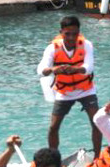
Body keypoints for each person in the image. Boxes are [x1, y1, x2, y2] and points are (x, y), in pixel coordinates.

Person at [38, 15, 102, 156]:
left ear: (79, 33)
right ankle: (53, 158)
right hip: (64, 92)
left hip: (86, 90)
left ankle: (97, 158)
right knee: (53, 127)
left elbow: (89, 67)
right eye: (67, 34)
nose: (71, 38)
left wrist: (76, 69)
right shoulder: (52, 48)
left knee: (97, 122)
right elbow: (41, 69)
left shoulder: (87, 45)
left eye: (75, 33)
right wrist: (53, 70)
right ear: (61, 33)